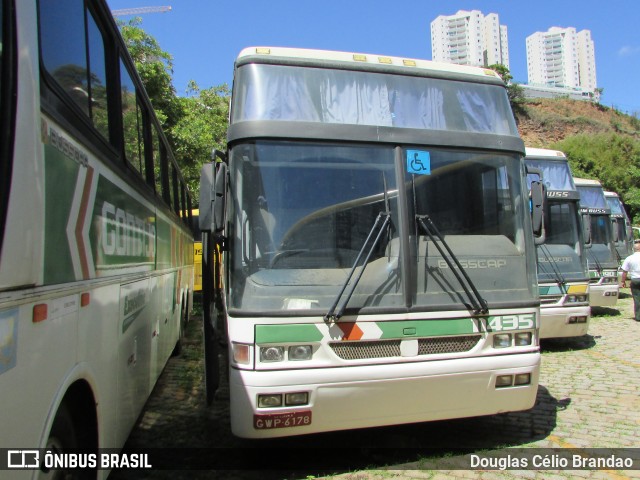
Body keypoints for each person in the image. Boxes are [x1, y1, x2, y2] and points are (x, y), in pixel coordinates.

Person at [621, 241, 640, 321]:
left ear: (634, 249)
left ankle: (638, 316)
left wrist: (623, 281)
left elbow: (624, 271)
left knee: (637, 299)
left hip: (635, 280)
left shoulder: (629, 258)